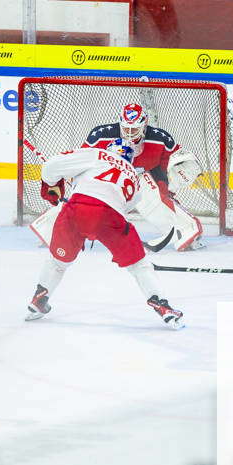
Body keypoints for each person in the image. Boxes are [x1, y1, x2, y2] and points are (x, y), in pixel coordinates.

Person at [24, 140, 185, 329]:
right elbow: (125, 205)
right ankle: (162, 306)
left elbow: (50, 167)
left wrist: (53, 184)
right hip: (111, 216)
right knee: (139, 265)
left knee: (57, 261)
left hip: (76, 209)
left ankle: (39, 299)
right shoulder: (134, 176)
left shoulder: (96, 154)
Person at [81, 103, 205, 252]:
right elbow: (81, 161)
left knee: (147, 189)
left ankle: (186, 228)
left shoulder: (160, 138)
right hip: (108, 184)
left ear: (144, 125)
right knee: (83, 206)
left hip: (138, 182)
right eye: (126, 128)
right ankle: (49, 226)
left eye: (135, 129)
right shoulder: (100, 135)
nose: (130, 133)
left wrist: (167, 186)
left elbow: (177, 160)